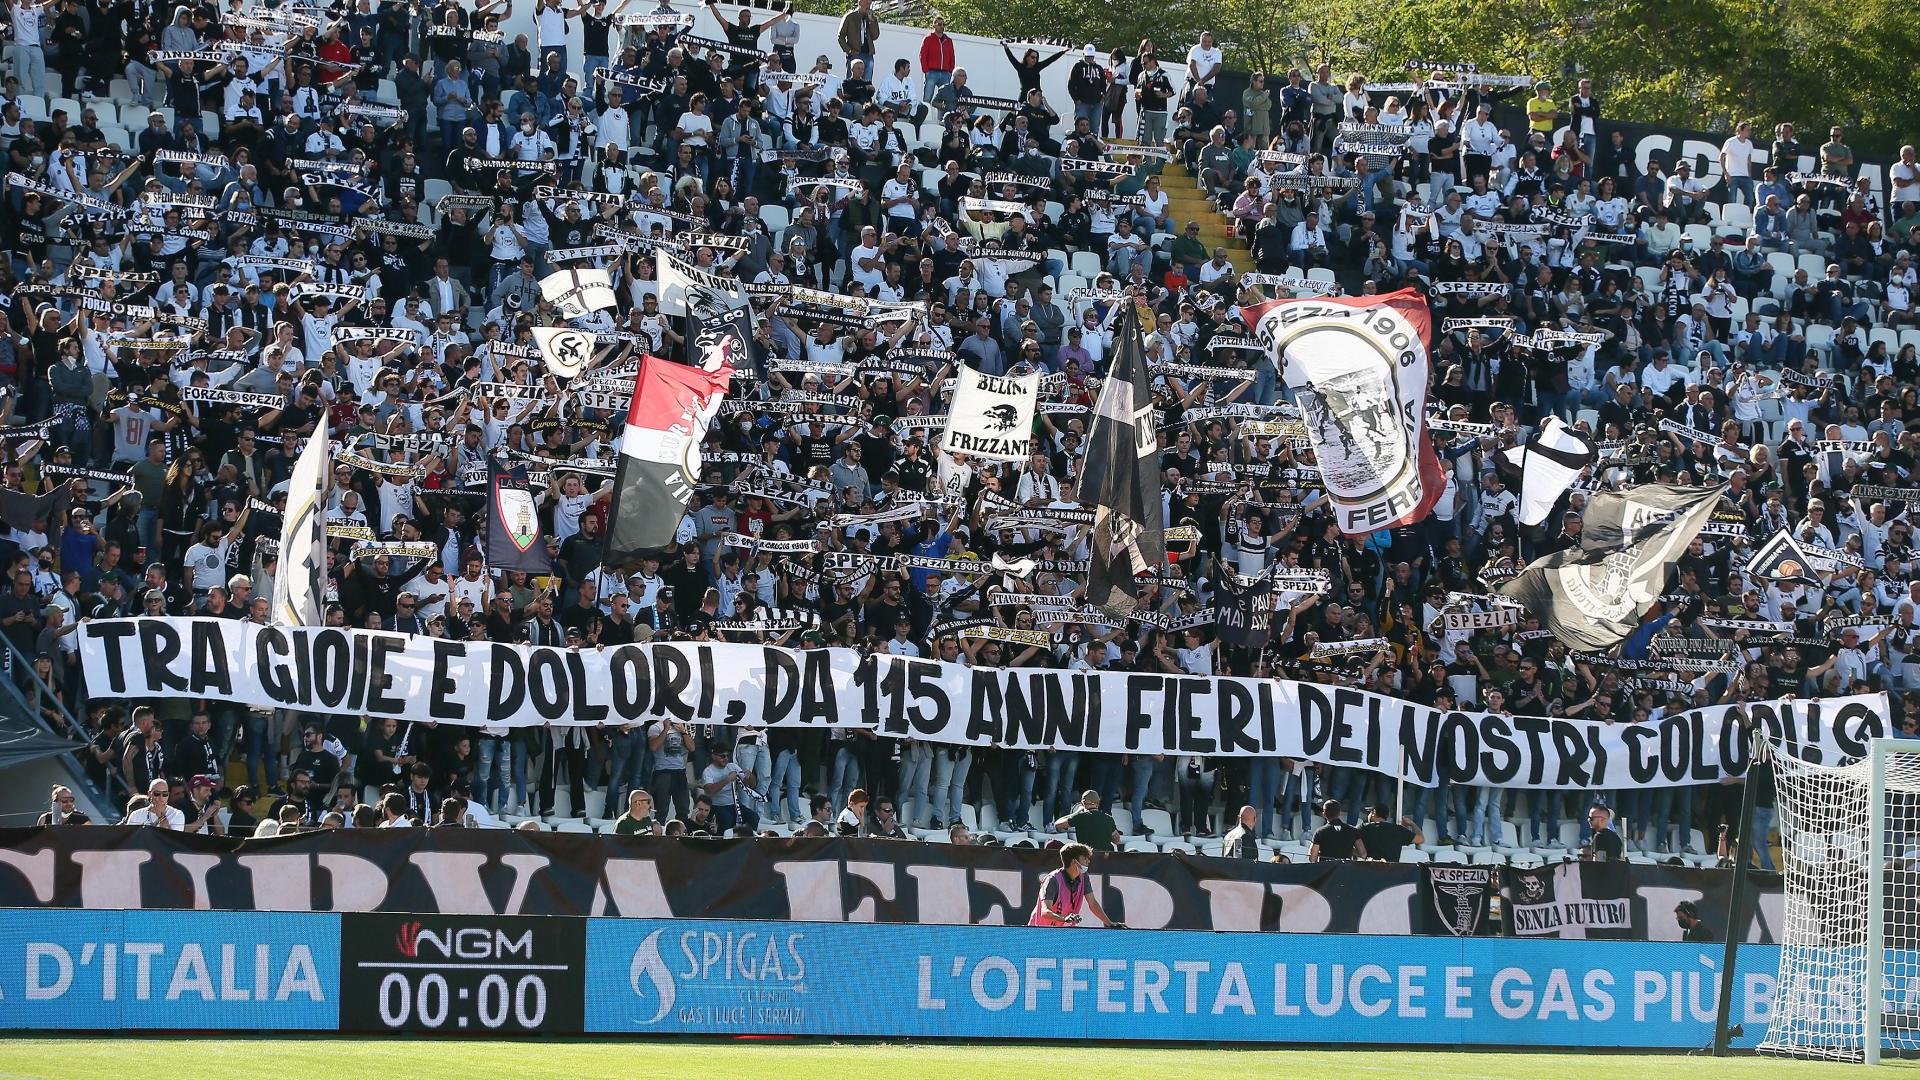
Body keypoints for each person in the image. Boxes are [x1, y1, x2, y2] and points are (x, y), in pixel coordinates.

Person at [1028, 842, 1121, 927]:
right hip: (1039, 932)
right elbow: (1045, 912)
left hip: (1062, 930)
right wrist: (1065, 918)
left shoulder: (1083, 877)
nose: (1088, 861)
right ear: (1074, 862)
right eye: (1085, 858)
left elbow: (1092, 903)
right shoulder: (1052, 880)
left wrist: (1110, 924)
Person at [1053, 788, 1120, 851]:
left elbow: (1057, 824)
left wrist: (1075, 813)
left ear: (1082, 803)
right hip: (1105, 859)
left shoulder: (1080, 817)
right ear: (1098, 804)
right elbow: (1117, 841)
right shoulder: (1109, 819)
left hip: (1086, 858)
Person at [1358, 805, 1423, 862]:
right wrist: (1412, 824)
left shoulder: (1363, 828)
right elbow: (1420, 839)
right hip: (1392, 872)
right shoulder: (1398, 829)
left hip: (1369, 870)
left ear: (1373, 813)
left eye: (1369, 812)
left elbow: (1352, 843)